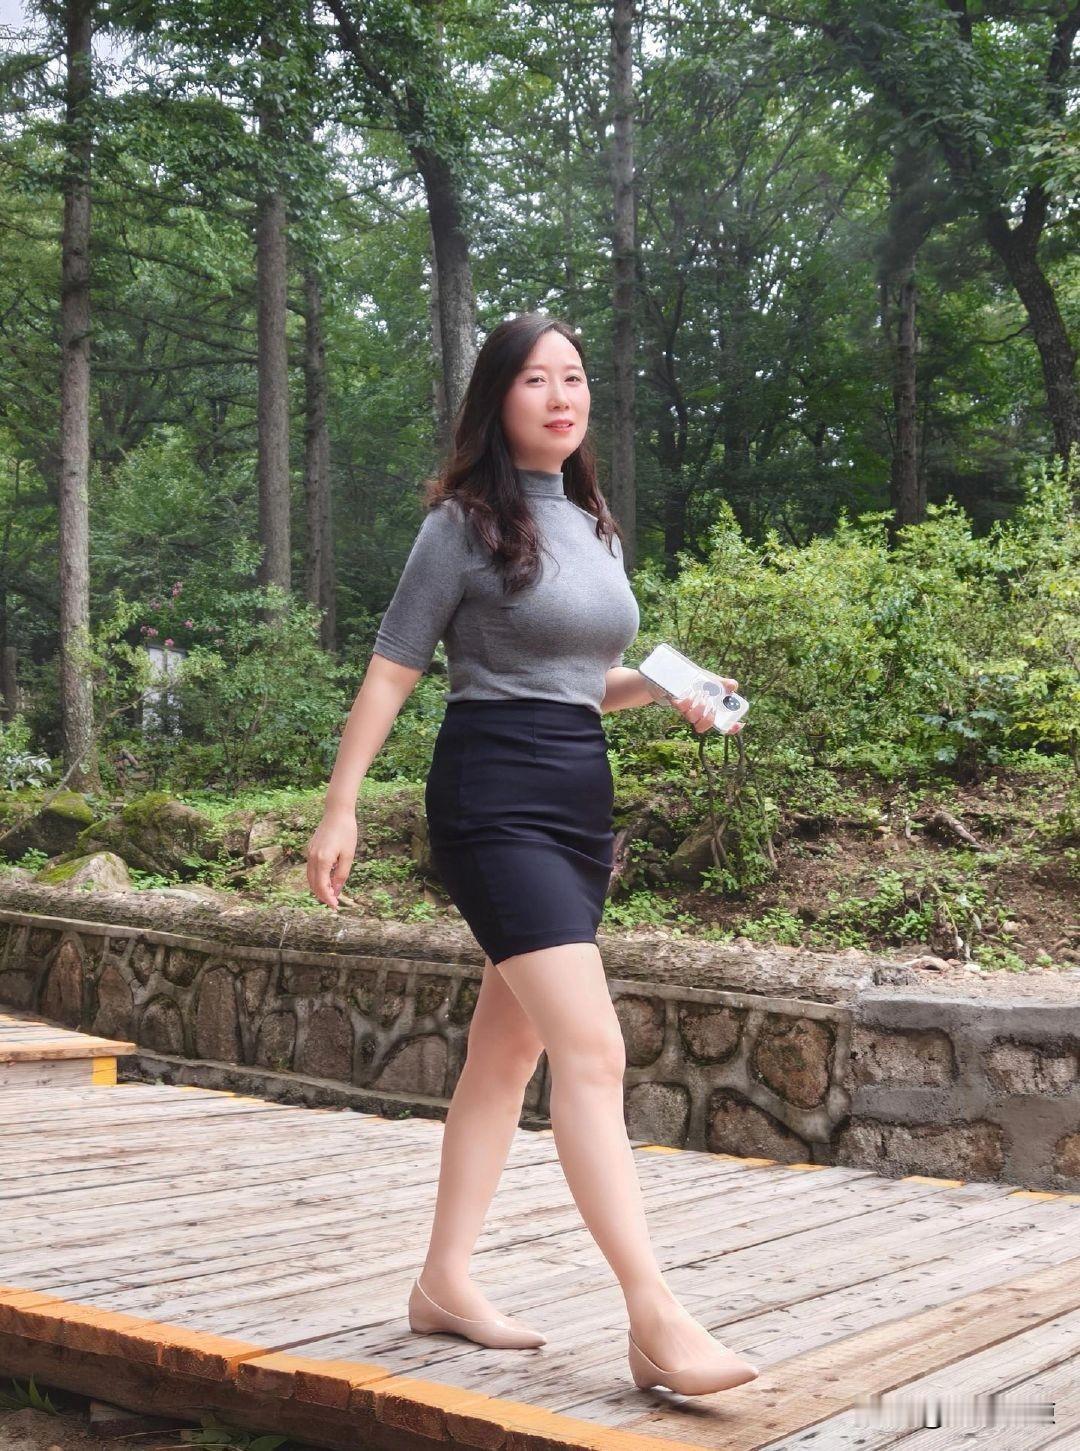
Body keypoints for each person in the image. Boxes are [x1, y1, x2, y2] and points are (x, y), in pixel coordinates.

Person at [306, 313, 757, 1397]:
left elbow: (582, 680)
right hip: (492, 794)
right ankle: (655, 1314)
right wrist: (339, 806)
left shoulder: (593, 526)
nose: (563, 397)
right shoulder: (460, 524)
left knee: (504, 1052)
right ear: (497, 399)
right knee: (591, 1049)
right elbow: (393, 668)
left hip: (576, 796)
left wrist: (674, 688)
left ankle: (443, 1282)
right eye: (537, 380)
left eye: (576, 378)